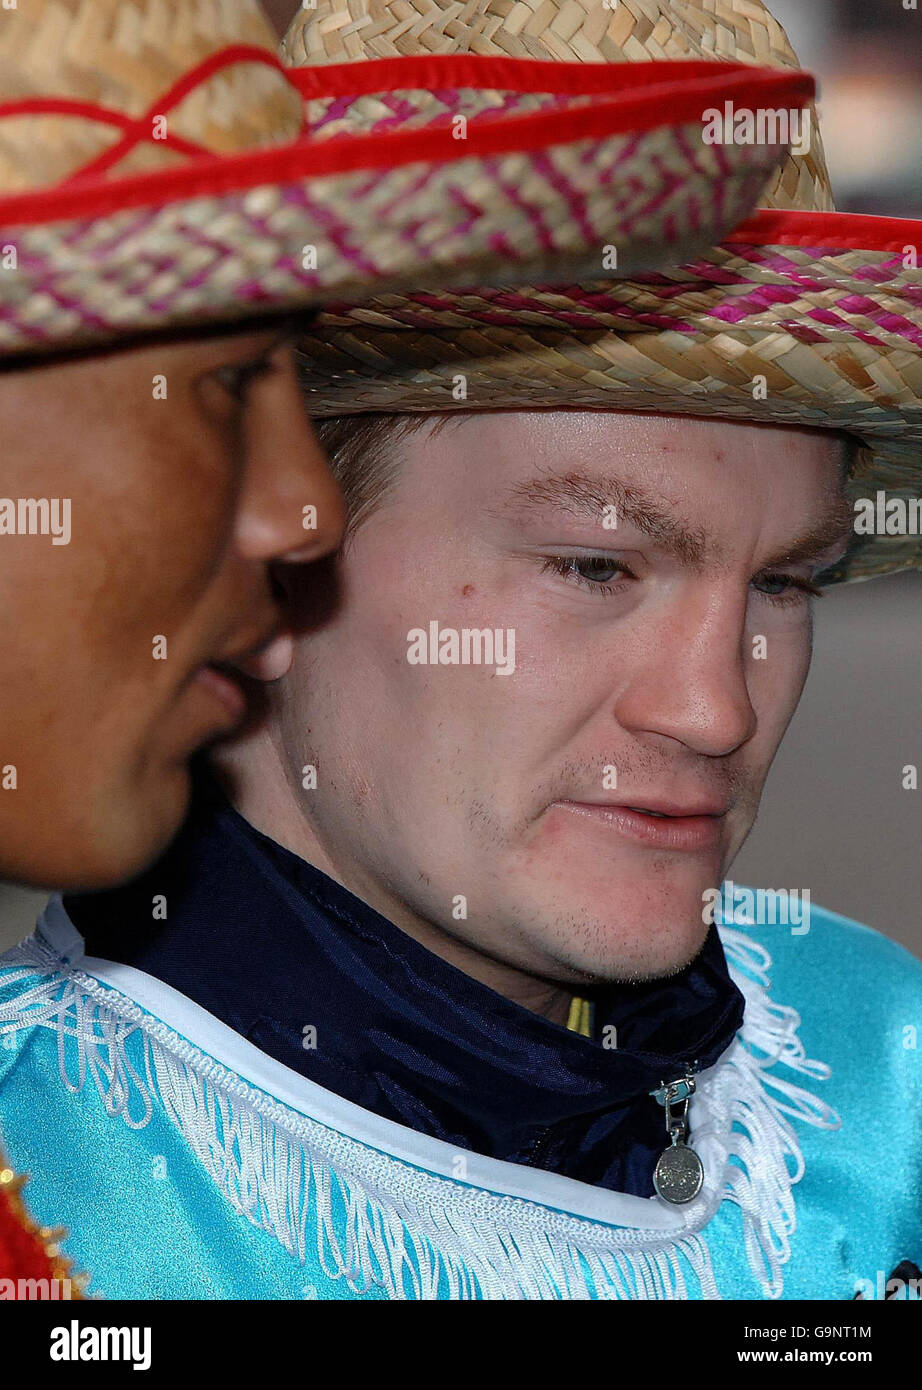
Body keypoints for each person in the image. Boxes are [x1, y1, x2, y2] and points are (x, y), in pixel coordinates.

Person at [5, 0, 915, 1301]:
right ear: (274, 539)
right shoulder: (43, 1192)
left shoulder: (879, 1061)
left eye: (786, 578)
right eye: (593, 565)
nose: (714, 708)